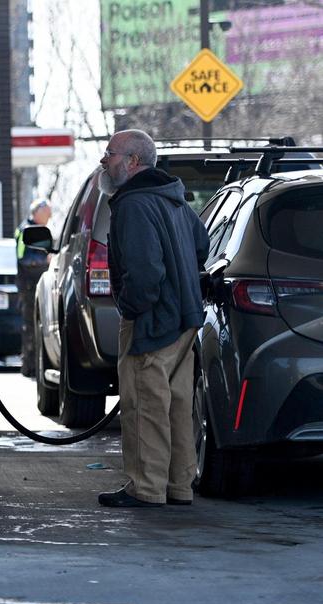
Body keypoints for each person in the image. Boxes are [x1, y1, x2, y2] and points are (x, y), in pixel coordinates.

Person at [97, 129, 210, 508]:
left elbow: (144, 272)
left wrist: (132, 305)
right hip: (185, 317)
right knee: (177, 403)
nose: (104, 160)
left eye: (110, 153)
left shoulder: (133, 204)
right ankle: (178, 486)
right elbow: (201, 243)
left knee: (144, 403)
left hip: (153, 320)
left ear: (132, 161)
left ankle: (145, 488)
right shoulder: (173, 199)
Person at [15, 198, 53, 378]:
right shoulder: (26, 231)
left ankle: (32, 365)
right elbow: (23, 258)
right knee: (30, 324)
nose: (50, 216)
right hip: (29, 285)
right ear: (37, 212)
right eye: (47, 212)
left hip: (34, 284)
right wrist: (44, 261)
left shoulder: (37, 230)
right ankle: (30, 366)